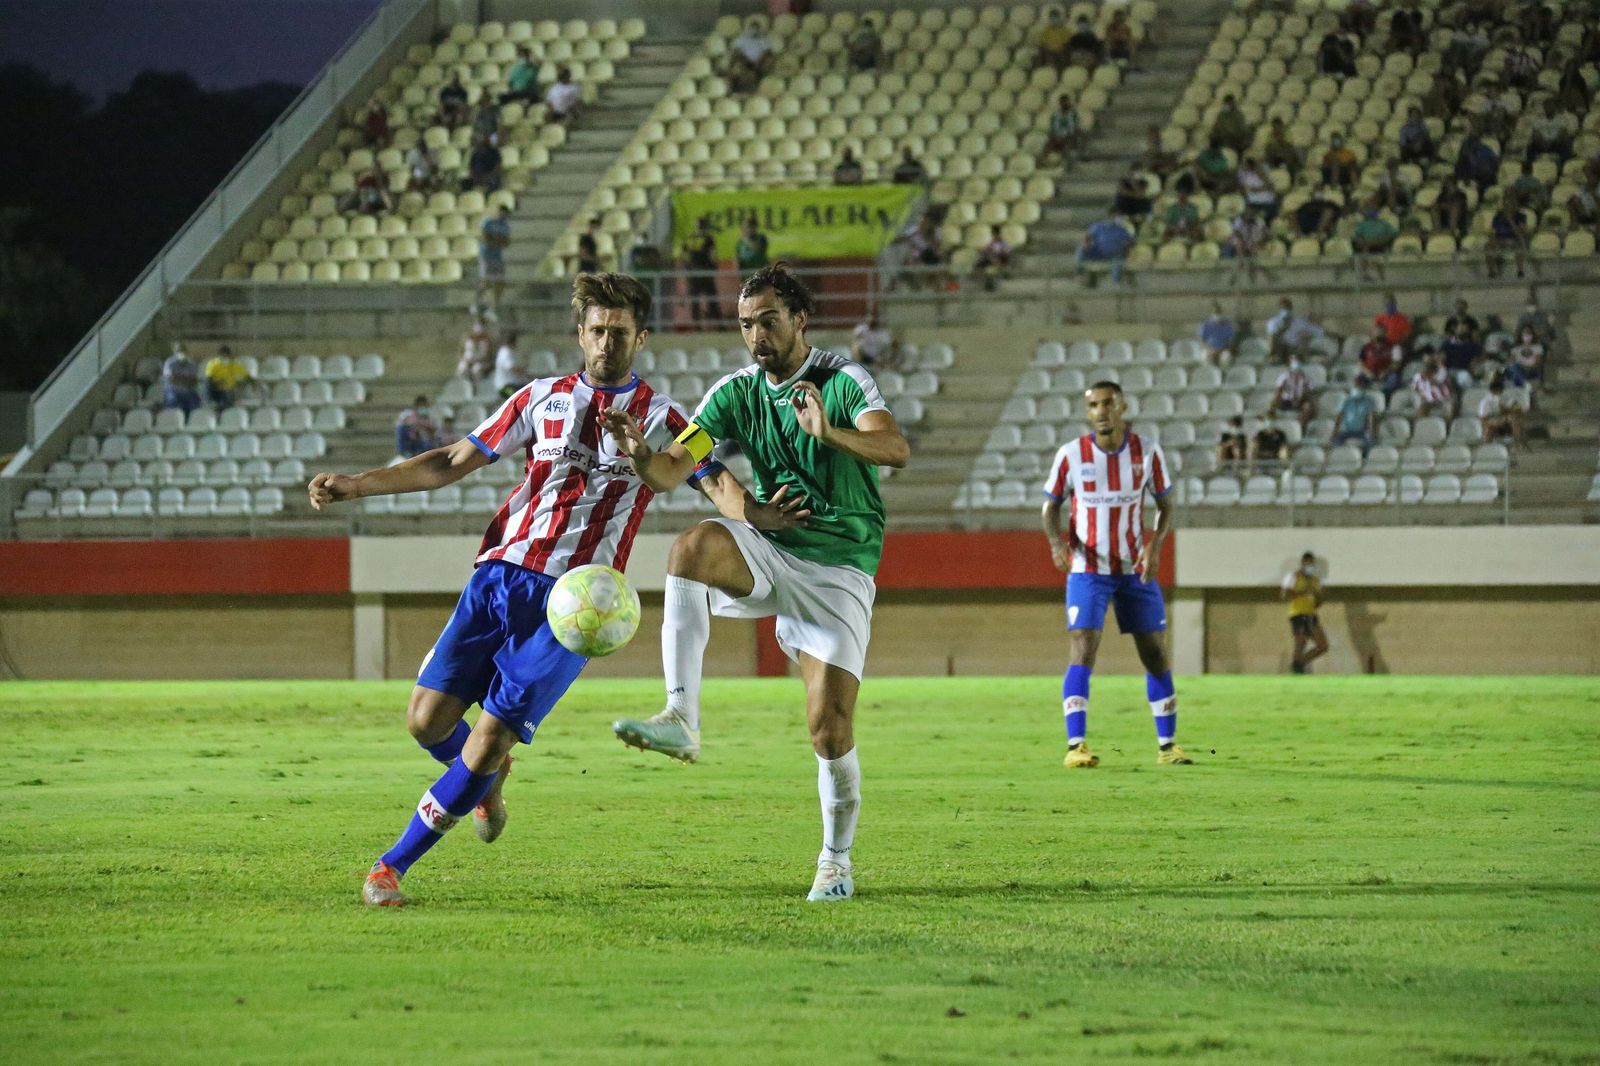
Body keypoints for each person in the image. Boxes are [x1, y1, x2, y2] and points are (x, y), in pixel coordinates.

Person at [312, 273, 695, 908]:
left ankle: (391, 866)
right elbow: (451, 461)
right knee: (426, 722)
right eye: (597, 331)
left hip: (576, 608)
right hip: (497, 579)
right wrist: (356, 484)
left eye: (620, 333)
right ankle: (485, 785)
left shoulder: (675, 420)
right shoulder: (537, 398)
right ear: (580, 334)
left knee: (488, 737)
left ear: (642, 338)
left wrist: (644, 456)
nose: (606, 343)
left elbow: (679, 477)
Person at [605, 263, 911, 903]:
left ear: (800, 319)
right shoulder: (733, 393)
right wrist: (640, 454)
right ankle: (681, 717)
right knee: (691, 546)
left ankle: (835, 861)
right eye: (746, 324)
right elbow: (671, 471)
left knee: (829, 727)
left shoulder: (843, 381)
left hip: (840, 568)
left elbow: (896, 450)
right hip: (771, 548)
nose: (756, 335)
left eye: (768, 320)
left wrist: (829, 432)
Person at [1041, 380, 1189, 770]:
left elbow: (1166, 504)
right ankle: (1076, 745)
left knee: (1155, 653)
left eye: (1108, 404)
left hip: (1133, 570)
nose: (1101, 411)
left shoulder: (1147, 452)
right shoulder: (1072, 454)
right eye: (1093, 405)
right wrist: (1057, 545)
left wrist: (1154, 547)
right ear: (1088, 412)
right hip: (1088, 570)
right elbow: (1049, 507)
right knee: (1083, 649)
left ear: (1122, 407)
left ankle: (1168, 745)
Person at [1282, 552, 1328, 674]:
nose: (1310, 567)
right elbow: (1285, 594)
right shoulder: (1294, 576)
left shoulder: (1316, 580)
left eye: (1312, 565)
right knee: (1301, 641)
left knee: (1322, 645)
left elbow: (1318, 602)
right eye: (1308, 564)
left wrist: (1318, 596)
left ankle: (1299, 663)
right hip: (1297, 613)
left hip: (1311, 614)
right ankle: (1297, 670)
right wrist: (1302, 592)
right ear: (1302, 564)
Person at [1075, 214, 1135, 286]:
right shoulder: (1097, 226)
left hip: (1116, 255)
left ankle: (1116, 284)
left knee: (1118, 262)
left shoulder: (1122, 229)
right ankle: (1079, 274)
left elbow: (1131, 243)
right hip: (1099, 253)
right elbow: (1087, 238)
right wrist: (1085, 245)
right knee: (1080, 249)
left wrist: (1128, 252)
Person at [683, 215, 721, 325]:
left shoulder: (690, 238)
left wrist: (687, 269)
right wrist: (714, 267)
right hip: (704, 272)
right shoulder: (708, 238)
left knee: (697, 300)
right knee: (711, 299)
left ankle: (697, 325)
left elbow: (684, 256)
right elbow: (713, 254)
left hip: (695, 273)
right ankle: (718, 325)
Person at [476, 205, 511, 318]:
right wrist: (497, 240)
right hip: (486, 255)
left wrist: (495, 239)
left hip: (497, 256)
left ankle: (494, 307)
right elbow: (486, 238)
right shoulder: (488, 222)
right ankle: (477, 303)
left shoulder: (505, 226)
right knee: (486, 281)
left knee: (500, 282)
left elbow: (506, 242)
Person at [1329, 379, 1378, 453]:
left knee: (1370, 441)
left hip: (1362, 431)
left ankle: (1365, 458)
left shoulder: (1369, 401)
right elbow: (1339, 416)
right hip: (1345, 430)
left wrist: (1371, 431)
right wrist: (1334, 432)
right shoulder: (1345, 400)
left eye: (1360, 387)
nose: (1357, 389)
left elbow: (1371, 417)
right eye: (1356, 386)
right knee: (1334, 443)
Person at [728, 19, 774, 91]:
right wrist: (746, 61)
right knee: (735, 70)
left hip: (758, 63)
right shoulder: (741, 39)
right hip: (743, 62)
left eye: (756, 28)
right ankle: (734, 90)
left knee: (764, 67)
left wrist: (758, 62)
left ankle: (758, 90)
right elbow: (736, 52)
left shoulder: (763, 40)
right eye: (753, 28)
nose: (754, 30)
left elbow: (767, 52)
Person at [1478, 374, 1525, 445]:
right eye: (1497, 390)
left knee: (1514, 418)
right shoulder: (1485, 401)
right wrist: (1486, 427)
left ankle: (1517, 441)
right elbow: (1483, 418)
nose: (1499, 392)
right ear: (1492, 390)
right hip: (1491, 420)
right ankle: (1487, 443)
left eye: (1500, 390)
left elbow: (1518, 408)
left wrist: (1506, 410)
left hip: (1503, 418)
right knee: (1493, 426)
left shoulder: (1505, 397)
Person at [1227, 207, 1271, 282]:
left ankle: (1253, 276)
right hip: (1241, 244)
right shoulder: (1239, 221)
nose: (1249, 216)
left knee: (1254, 252)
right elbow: (1237, 234)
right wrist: (1246, 245)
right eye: (1247, 215)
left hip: (1255, 242)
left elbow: (1266, 234)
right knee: (1239, 245)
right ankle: (1240, 266)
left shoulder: (1259, 221)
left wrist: (1259, 243)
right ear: (1244, 216)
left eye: (1251, 215)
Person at [1485, 203, 1528, 280]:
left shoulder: (1521, 216)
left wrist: (1510, 220)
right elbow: (1493, 232)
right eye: (1506, 204)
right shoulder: (1498, 217)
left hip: (1515, 239)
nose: (1508, 206)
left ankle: (1520, 271)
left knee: (1520, 243)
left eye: (1510, 203)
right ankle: (1491, 272)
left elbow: (1520, 233)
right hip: (1500, 240)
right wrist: (1492, 239)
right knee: (1488, 245)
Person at [202, 345, 252, 409]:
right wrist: (218, 382)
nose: (224, 357)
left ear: (229, 356)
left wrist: (253, 383)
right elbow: (209, 378)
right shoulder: (213, 363)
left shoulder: (235, 365)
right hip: (215, 389)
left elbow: (246, 375)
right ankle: (210, 404)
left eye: (225, 356)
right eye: (222, 356)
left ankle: (223, 410)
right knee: (206, 384)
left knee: (226, 393)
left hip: (228, 390)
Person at [1271, 357, 1315, 429]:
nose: (1296, 374)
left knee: (1308, 406)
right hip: (1286, 400)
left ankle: (1299, 426)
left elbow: (1309, 392)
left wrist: (1300, 398)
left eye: (1298, 372)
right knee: (1273, 404)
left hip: (1300, 400)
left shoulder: (1306, 378)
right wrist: (1274, 404)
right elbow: (1279, 391)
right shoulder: (1284, 376)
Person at [1359, 326, 1404, 396]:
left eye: (1381, 333)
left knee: (1394, 380)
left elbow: (1397, 363)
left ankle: (1385, 398)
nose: (1378, 334)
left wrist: (1386, 371)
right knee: (1358, 380)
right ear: (1372, 334)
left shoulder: (1394, 347)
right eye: (1376, 333)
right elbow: (1360, 362)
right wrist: (1367, 372)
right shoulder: (1366, 347)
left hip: (1387, 374)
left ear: (1385, 334)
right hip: (1369, 373)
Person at [1411, 351, 1456, 418]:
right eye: (1426, 363)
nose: (1428, 365)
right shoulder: (1418, 376)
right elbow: (1414, 388)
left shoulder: (1442, 372)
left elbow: (1435, 383)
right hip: (1430, 400)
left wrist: (1428, 377)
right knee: (1422, 408)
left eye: (1431, 362)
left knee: (1451, 406)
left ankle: (1447, 426)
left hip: (1444, 399)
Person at [162, 342, 200, 415]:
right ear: (174, 351)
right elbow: (171, 379)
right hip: (173, 391)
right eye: (178, 350)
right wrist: (185, 379)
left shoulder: (191, 363)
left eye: (182, 350)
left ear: (186, 351)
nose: (180, 352)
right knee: (171, 400)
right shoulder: (169, 362)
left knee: (195, 402)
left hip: (188, 391)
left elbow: (194, 381)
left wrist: (179, 377)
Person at [1236, 157, 1278, 222]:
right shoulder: (1241, 172)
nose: (1245, 167)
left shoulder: (1264, 168)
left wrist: (1259, 173)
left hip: (1268, 202)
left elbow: (1271, 188)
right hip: (1252, 202)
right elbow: (1244, 189)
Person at [1043, 95, 1083, 161]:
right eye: (1063, 102)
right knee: (1047, 144)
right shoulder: (1055, 115)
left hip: (1069, 137)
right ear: (1060, 103)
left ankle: (1064, 163)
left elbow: (1075, 128)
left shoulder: (1073, 114)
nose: (1065, 104)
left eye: (1067, 102)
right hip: (1057, 137)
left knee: (1068, 144)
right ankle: (1045, 161)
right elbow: (1053, 128)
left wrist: (1066, 136)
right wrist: (1056, 136)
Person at [974, 225, 1012, 290]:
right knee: (978, 264)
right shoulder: (991, 242)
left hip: (1000, 260)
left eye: (994, 234)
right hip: (990, 259)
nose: (994, 236)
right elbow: (986, 251)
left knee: (994, 266)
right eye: (993, 235)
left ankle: (994, 282)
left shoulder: (1003, 244)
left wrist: (998, 259)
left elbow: (1006, 253)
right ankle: (986, 282)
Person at [492, 331, 526, 399]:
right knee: (517, 397)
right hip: (504, 387)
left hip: (515, 384)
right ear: (513, 342)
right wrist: (528, 375)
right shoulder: (505, 353)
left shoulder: (511, 352)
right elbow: (513, 368)